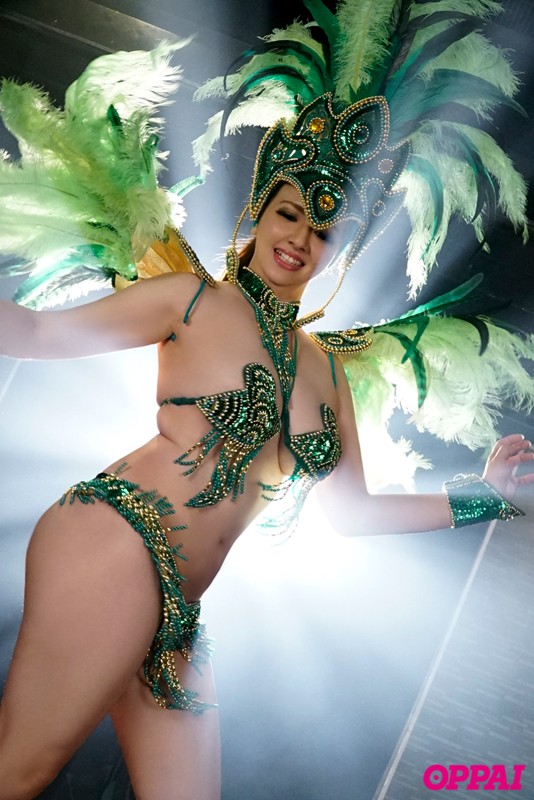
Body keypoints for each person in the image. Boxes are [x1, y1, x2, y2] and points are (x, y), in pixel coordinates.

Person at [0, 2, 533, 799]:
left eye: (323, 230)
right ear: (259, 209)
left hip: (179, 607)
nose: (300, 239)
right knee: (21, 769)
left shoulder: (328, 374)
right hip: (117, 540)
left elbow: (355, 514)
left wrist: (488, 497)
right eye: (289, 213)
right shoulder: (190, 299)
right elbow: (39, 334)